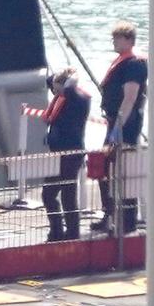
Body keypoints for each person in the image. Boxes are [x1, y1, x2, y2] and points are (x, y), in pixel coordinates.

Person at [93, 22, 148, 235]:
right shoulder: (124, 62)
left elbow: (130, 97)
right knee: (106, 169)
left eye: (117, 38)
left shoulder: (134, 64)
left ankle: (127, 220)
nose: (113, 42)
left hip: (125, 124)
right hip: (115, 121)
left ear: (128, 40)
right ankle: (110, 214)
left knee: (124, 170)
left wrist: (118, 127)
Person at [41, 67, 91, 242]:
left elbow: (69, 88)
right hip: (58, 154)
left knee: (65, 195)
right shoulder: (61, 97)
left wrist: (69, 80)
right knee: (51, 194)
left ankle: (71, 233)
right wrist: (57, 80)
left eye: (57, 88)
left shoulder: (78, 99)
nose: (55, 92)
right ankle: (58, 231)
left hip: (71, 154)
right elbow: (50, 81)